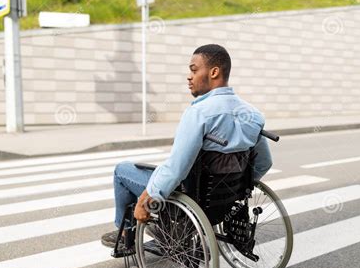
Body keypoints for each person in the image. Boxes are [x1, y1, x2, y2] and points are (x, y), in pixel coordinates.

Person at [101, 44, 273, 248]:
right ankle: (167, 232)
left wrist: (146, 200)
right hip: (225, 201)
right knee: (160, 174)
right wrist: (236, 188)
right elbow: (264, 163)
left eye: (193, 69)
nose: (189, 77)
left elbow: (176, 169)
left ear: (214, 72)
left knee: (123, 170)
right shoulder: (253, 114)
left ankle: (126, 235)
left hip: (191, 196)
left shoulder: (199, 113)